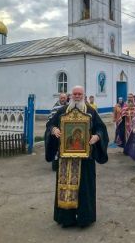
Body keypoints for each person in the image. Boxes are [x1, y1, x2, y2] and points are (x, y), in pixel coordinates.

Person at [45, 85, 109, 228]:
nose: (77, 96)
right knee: (65, 187)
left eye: (80, 94)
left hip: (85, 159)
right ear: (71, 96)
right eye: (75, 94)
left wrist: (97, 137)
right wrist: (53, 129)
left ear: (84, 95)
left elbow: (101, 128)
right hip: (65, 160)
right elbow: (49, 124)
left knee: (84, 189)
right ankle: (66, 219)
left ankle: (84, 219)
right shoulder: (62, 111)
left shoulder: (91, 112)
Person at [46, 93, 68, 171]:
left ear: (66, 98)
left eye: (64, 98)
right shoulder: (55, 108)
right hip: (57, 131)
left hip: (67, 131)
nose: (63, 99)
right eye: (61, 98)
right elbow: (51, 121)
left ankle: (65, 164)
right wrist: (54, 129)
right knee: (56, 149)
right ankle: (55, 166)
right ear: (59, 98)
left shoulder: (69, 106)